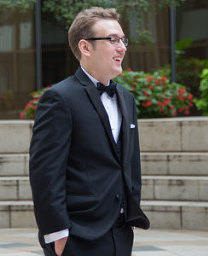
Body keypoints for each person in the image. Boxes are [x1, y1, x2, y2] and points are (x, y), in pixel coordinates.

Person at [28, 7, 149, 256]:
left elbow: (130, 163)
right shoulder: (59, 98)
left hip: (120, 233)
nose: (122, 47)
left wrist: (131, 213)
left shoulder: (126, 99)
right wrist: (58, 234)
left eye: (123, 40)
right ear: (85, 47)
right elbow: (45, 173)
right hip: (77, 235)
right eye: (112, 40)